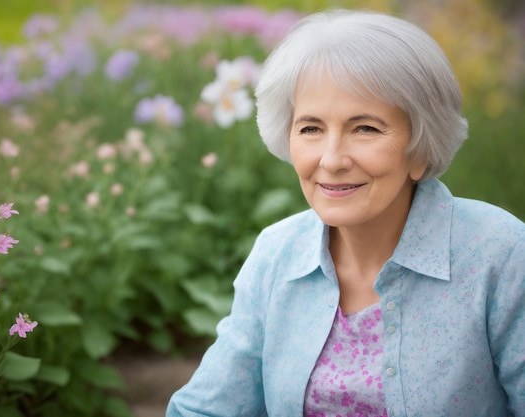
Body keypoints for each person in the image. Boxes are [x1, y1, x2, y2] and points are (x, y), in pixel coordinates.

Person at [166, 8, 525, 417]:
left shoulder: (502, 254)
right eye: (311, 128)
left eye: (365, 128)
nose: (332, 160)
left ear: (421, 148)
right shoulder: (276, 254)